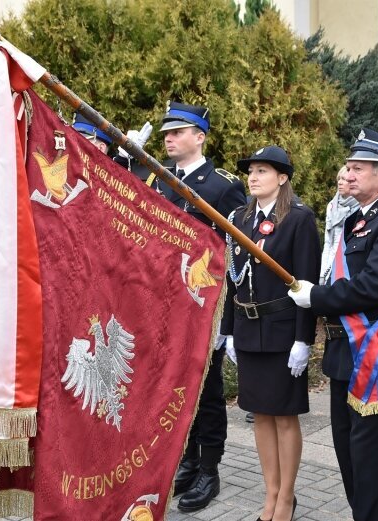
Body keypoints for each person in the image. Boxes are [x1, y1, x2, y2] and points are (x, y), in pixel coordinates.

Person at [288, 128, 378, 521]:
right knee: (348, 459)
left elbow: (376, 286)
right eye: (349, 166)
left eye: (358, 168)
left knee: (369, 466)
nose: (349, 173)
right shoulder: (354, 222)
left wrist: (317, 297)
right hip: (346, 355)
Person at [156, 101, 246, 513]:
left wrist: (226, 318)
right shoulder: (159, 180)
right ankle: (188, 459)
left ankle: (209, 467)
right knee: (177, 387)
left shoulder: (222, 186)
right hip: (167, 305)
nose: (168, 139)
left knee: (206, 391)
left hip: (205, 305)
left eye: (176, 133)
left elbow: (235, 255)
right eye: (165, 134)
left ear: (200, 137)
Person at [221, 145, 319, 521]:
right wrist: (228, 330)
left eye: (263, 170)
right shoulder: (239, 217)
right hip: (247, 329)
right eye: (251, 171)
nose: (253, 176)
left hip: (281, 332)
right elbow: (232, 280)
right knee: (259, 414)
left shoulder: (298, 218)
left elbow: (305, 284)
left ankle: (287, 497)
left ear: (282, 178)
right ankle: (270, 492)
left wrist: (303, 340)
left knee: (283, 416)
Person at [320, 165, 359, 284]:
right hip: (329, 266)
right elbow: (328, 242)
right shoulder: (332, 205)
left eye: (345, 180)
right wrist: (323, 273)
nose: (340, 183)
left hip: (346, 268)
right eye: (339, 179)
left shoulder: (359, 207)